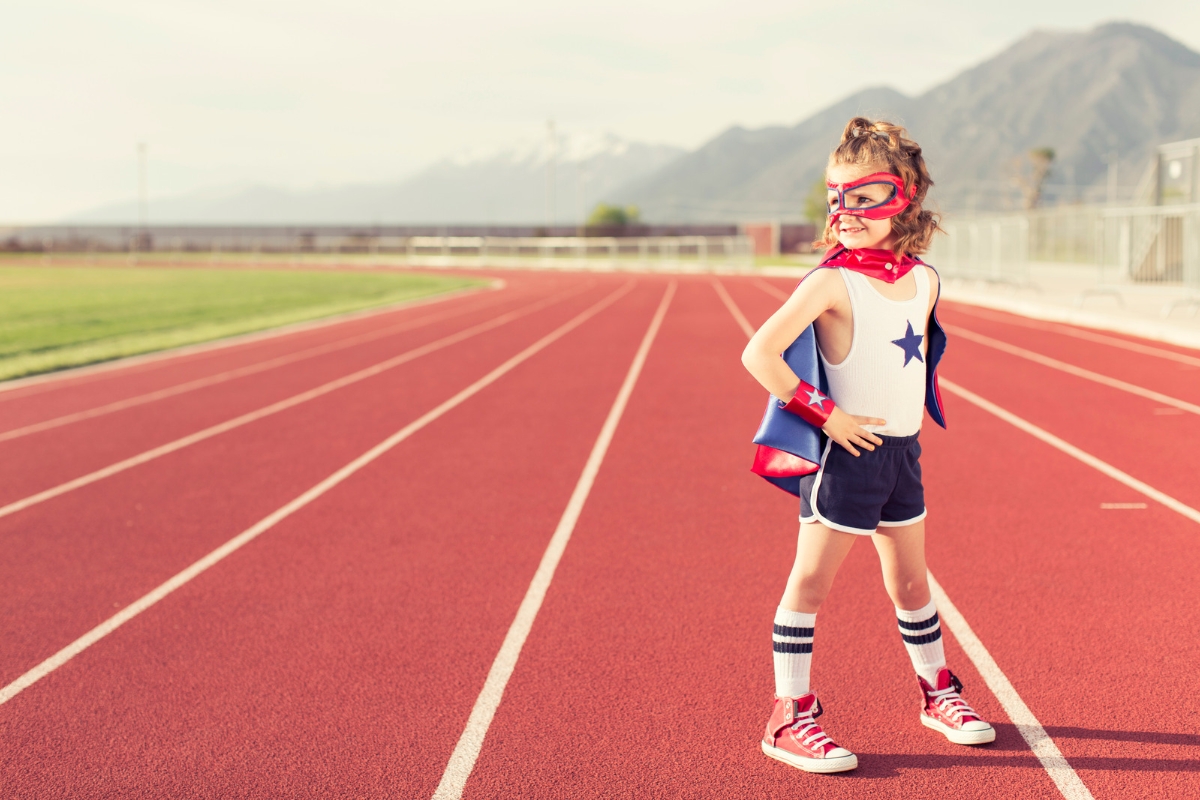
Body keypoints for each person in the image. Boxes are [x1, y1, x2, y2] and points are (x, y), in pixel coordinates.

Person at [741, 117, 995, 775]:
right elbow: (758, 353)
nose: (844, 210)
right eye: (836, 195)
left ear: (902, 197)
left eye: (862, 195)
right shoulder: (830, 282)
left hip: (901, 455)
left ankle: (937, 693)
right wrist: (826, 416)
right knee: (811, 584)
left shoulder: (925, 280)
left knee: (910, 580)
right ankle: (787, 716)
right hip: (846, 456)